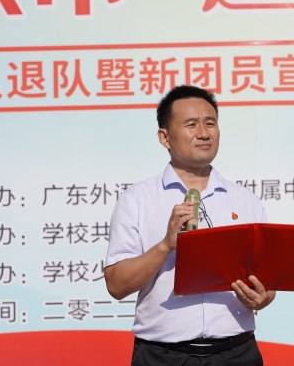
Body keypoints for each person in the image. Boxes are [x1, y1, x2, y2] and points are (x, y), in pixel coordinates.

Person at [104, 85, 276, 365]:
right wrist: (166, 245)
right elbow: (116, 284)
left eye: (210, 123)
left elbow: (268, 285)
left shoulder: (245, 200)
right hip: (162, 356)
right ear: (164, 137)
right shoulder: (137, 199)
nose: (204, 133)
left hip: (236, 353)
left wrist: (262, 298)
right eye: (191, 124)